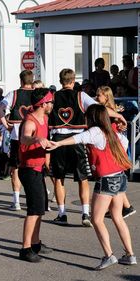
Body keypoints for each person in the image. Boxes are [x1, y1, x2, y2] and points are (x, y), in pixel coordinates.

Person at [48, 104, 136, 270]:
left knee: (96, 219)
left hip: (107, 180)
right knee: (117, 216)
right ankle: (130, 254)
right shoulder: (115, 134)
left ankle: (109, 255)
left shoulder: (96, 132)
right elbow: (122, 147)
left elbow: (78, 138)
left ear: (92, 118)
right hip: (120, 177)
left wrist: (58, 144)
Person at [49, 69, 127, 226]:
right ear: (72, 81)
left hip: (58, 139)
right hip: (78, 139)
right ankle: (85, 213)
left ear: (60, 81)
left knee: (59, 179)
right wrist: (118, 115)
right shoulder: (81, 95)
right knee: (82, 178)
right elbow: (100, 109)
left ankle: (62, 213)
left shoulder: (53, 97)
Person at [17, 88, 54, 262]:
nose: (52, 104)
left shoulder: (45, 118)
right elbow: (24, 138)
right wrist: (37, 139)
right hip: (29, 169)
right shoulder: (30, 122)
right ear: (43, 103)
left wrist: (47, 161)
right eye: (50, 102)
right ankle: (25, 248)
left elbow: (44, 144)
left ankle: (36, 242)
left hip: (39, 168)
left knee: (40, 208)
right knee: (33, 210)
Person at [0, 70, 35, 211]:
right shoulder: (38, 94)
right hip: (33, 136)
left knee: (15, 169)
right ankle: (36, 199)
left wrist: (6, 125)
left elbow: (0, 109)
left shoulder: (14, 94)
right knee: (34, 168)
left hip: (17, 136)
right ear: (32, 80)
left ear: (21, 81)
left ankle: (16, 201)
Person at [95, 86, 136, 218]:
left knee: (114, 175)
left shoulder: (109, 110)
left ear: (106, 96)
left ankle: (125, 207)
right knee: (115, 175)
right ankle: (125, 207)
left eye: (99, 95)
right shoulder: (110, 110)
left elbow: (118, 126)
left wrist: (120, 123)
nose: (96, 97)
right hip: (114, 144)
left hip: (115, 145)